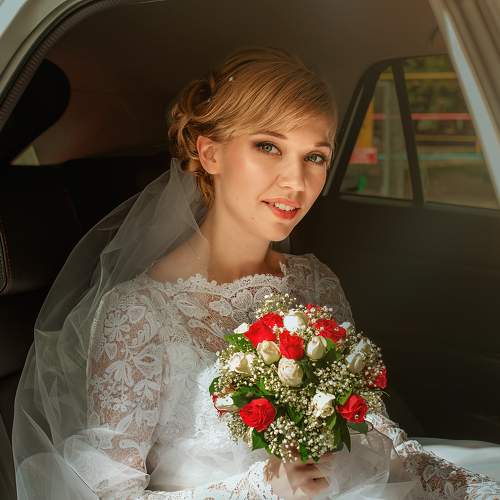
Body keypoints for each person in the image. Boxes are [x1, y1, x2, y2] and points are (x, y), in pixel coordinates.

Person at [12, 46, 500, 500]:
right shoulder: (137, 313)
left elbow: (371, 427)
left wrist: (456, 486)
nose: (296, 181)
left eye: (315, 157)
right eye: (269, 146)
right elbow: (112, 495)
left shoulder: (314, 282)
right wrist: (263, 488)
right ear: (210, 154)